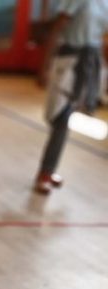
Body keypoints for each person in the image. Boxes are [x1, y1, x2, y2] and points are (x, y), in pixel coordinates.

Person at [33, 0, 108, 194]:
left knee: (67, 117)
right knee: (60, 117)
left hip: (89, 61)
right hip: (68, 61)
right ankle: (45, 173)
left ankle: (48, 170)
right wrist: (45, 66)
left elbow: (102, 38)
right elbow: (57, 29)